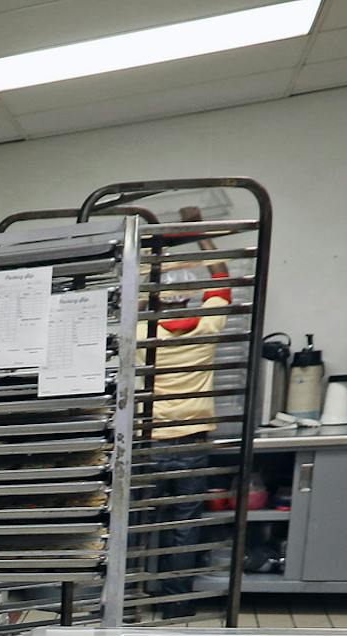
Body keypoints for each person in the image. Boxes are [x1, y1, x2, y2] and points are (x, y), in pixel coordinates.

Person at [139, 205, 236, 603]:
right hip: (192, 442)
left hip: (151, 443)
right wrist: (200, 232)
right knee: (185, 520)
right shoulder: (208, 326)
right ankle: (174, 599)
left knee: (141, 519)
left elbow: (138, 287)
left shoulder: (144, 329)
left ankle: (132, 596)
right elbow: (223, 278)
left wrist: (159, 243)